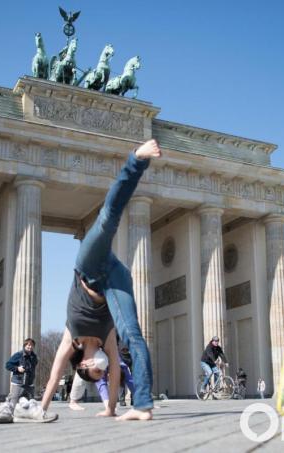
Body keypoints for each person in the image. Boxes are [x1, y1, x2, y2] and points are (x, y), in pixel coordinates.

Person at [41, 139, 162, 422]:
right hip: (114, 279)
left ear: (83, 363)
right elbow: (117, 371)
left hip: (90, 267)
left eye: (96, 370)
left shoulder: (72, 337)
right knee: (133, 335)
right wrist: (110, 408)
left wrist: (42, 407)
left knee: (108, 219)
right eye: (101, 372)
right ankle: (143, 405)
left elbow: (54, 374)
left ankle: (137, 160)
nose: (103, 368)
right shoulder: (107, 341)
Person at [0, 338, 42, 423]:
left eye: (32, 345)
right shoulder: (18, 355)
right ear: (25, 346)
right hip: (18, 382)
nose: (30, 347)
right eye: (28, 345)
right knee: (13, 401)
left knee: (30, 402)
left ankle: (28, 416)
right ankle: (6, 415)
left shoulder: (34, 357)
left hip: (29, 383)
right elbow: (8, 365)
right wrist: (17, 368)